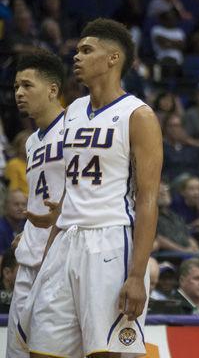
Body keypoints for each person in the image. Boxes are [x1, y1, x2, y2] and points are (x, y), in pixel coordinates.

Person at [20, 18, 163, 357]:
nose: (77, 57)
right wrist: (47, 250)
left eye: (87, 50)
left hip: (110, 242)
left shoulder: (138, 116)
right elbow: (69, 188)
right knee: (43, 350)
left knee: (106, 353)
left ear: (113, 58)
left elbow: (148, 198)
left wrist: (138, 273)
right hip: (66, 240)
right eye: (77, 50)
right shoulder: (72, 112)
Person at [6, 50, 66, 358]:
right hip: (30, 253)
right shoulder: (30, 141)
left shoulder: (75, 129)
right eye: (16, 86)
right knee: (17, 352)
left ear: (53, 89)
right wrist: (29, 229)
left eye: (27, 85)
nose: (19, 93)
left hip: (60, 257)